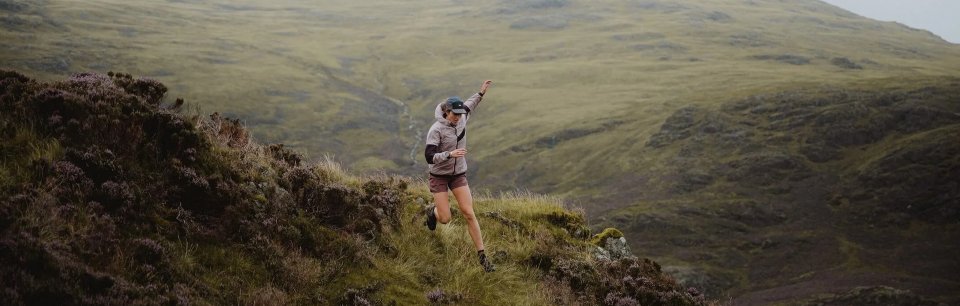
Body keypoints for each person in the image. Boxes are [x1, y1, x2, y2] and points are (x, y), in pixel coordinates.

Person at [423, 80, 495, 272]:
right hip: (439, 175)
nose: (458, 118)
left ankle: (482, 257)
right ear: (446, 112)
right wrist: (448, 154)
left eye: (460, 114)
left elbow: (470, 105)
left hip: (458, 174)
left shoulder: (462, 116)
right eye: (455, 114)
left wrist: (480, 93)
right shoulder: (436, 130)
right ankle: (433, 212)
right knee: (445, 219)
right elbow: (429, 157)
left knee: (469, 213)